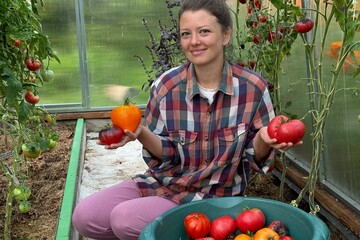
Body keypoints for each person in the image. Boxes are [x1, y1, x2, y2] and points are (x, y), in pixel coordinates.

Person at [72, 0, 301, 239]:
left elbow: (255, 160)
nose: (194, 42)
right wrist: (140, 133)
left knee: (125, 219)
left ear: (225, 35)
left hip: (214, 198)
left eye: (204, 31)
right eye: (186, 34)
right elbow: (166, 155)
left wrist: (264, 139)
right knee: (86, 217)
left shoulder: (252, 88)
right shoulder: (167, 86)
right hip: (164, 183)